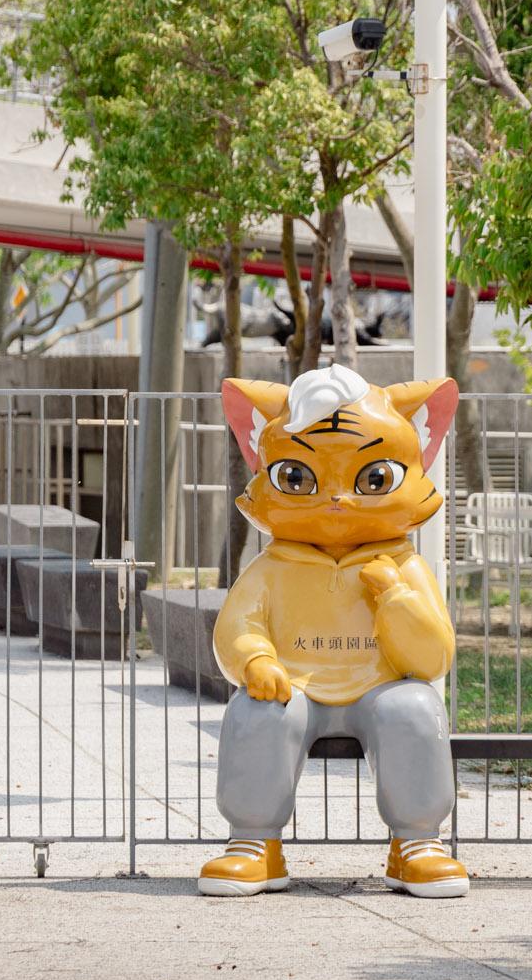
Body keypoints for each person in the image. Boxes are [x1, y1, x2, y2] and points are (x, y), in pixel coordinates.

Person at [197, 366, 470, 899]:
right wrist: (254, 658)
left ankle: (416, 842)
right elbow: (238, 626)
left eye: (372, 479)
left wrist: (394, 597)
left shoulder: (405, 565)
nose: (338, 499)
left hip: (380, 684)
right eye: (298, 479)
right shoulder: (272, 569)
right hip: (294, 684)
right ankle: (254, 843)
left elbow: (432, 657)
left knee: (414, 708)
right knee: (258, 709)